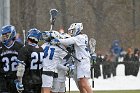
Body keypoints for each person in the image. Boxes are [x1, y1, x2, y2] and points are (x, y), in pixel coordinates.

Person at [51, 23, 93, 93]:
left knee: (84, 83)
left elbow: (68, 41)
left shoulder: (79, 37)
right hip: (80, 62)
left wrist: (58, 40)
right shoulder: (81, 37)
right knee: (80, 84)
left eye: (73, 30)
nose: (71, 32)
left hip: (83, 61)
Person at [16, 28, 44, 93]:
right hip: (39, 80)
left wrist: (19, 81)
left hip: (28, 80)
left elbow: (21, 68)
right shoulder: (41, 49)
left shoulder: (25, 49)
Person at [0, 25, 23, 93]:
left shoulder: (20, 46)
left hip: (16, 78)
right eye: (3, 36)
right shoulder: (0, 47)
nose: (4, 38)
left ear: (12, 34)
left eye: (6, 36)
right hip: (3, 78)